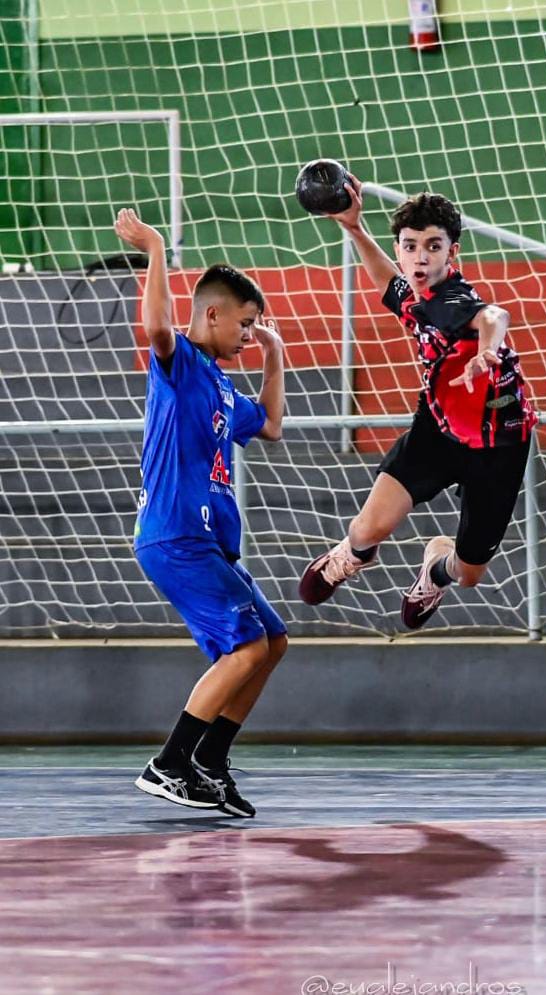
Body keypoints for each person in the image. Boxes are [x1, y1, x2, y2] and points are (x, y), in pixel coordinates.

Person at [298, 181, 536, 629]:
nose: (420, 256)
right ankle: (352, 554)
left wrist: (488, 349)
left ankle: (436, 569)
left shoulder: (453, 300)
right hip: (438, 429)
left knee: (468, 574)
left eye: (433, 246)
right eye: (410, 247)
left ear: (452, 253)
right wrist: (354, 228)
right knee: (366, 529)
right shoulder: (412, 292)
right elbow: (386, 281)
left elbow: (493, 315)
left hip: (497, 443)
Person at [115, 208, 287, 817]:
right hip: (176, 537)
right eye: (245, 323)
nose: (249, 333)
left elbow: (267, 425)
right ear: (211, 313)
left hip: (208, 543)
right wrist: (156, 248)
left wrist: (273, 356)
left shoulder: (219, 384)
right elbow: (158, 328)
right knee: (242, 650)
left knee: (272, 641)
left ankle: (210, 760)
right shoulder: (181, 361)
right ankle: (170, 763)